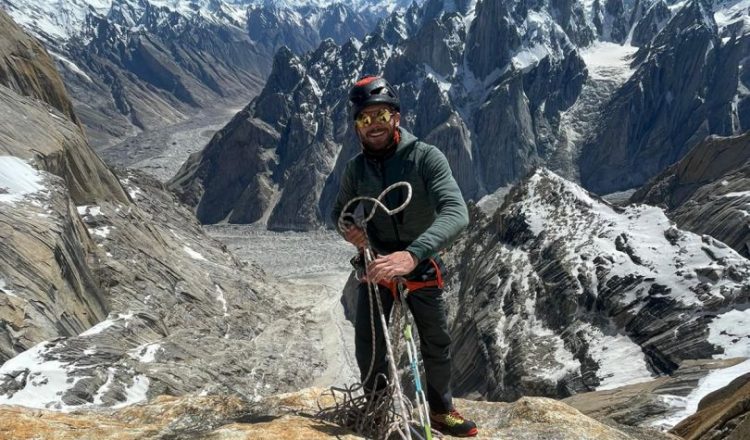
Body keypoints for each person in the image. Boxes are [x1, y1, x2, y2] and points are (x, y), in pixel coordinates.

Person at [331, 75, 478, 438]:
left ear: (396, 117)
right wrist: (349, 230)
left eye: (380, 116)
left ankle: (442, 411)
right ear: (356, 128)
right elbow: (340, 212)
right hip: (378, 264)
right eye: (365, 120)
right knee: (369, 343)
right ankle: (378, 406)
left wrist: (412, 255)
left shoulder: (425, 158)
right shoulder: (355, 169)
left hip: (417, 263)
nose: (373, 126)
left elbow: (456, 213)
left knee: (436, 341)